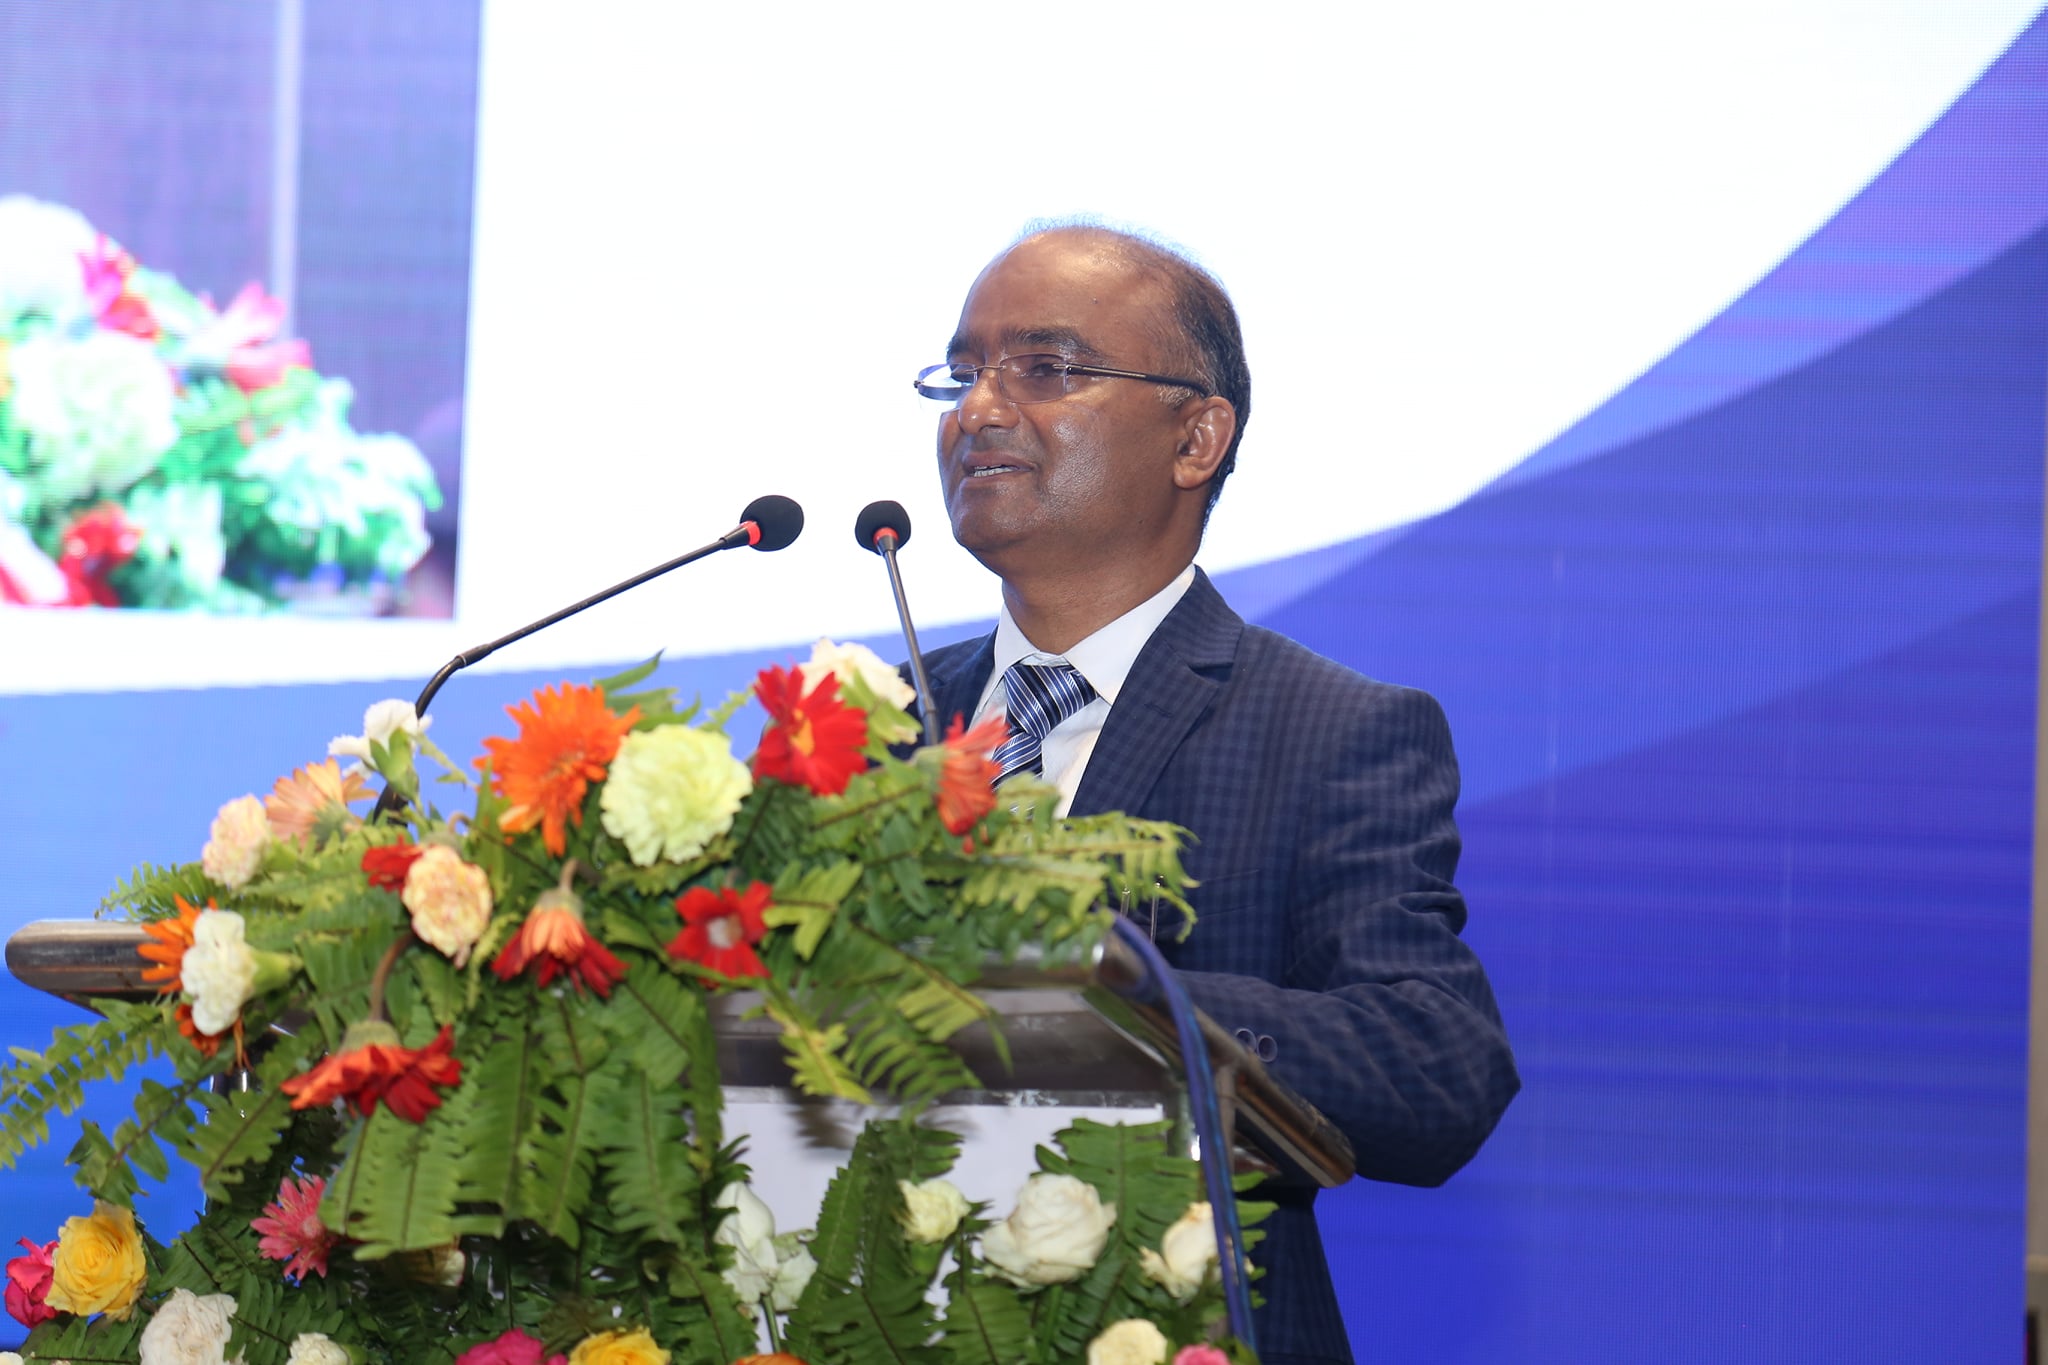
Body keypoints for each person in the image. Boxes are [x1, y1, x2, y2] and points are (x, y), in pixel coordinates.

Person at [907, 224, 1519, 1365]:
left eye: (1043, 368)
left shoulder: (1331, 731)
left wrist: (1108, 1007)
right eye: (963, 371)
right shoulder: (864, 728)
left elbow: (1438, 1065)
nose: (977, 408)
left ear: (1195, 438)